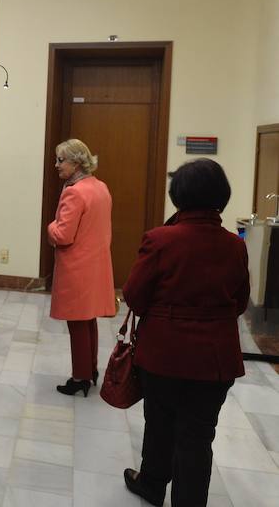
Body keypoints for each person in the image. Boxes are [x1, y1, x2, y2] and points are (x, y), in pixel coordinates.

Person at [121, 158, 249, 507]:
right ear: (220, 197)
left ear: (178, 195)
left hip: (163, 352)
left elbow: (133, 295)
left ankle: (151, 484)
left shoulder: (160, 240)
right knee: (198, 436)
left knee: (159, 421)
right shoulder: (234, 245)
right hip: (215, 358)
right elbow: (240, 302)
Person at [46, 138, 116, 396]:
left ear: (76, 162)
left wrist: (49, 227)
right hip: (95, 266)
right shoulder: (99, 187)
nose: (56, 165)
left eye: (61, 160)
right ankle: (91, 370)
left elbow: (63, 235)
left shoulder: (74, 191)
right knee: (88, 321)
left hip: (77, 268)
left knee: (77, 324)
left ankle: (80, 378)